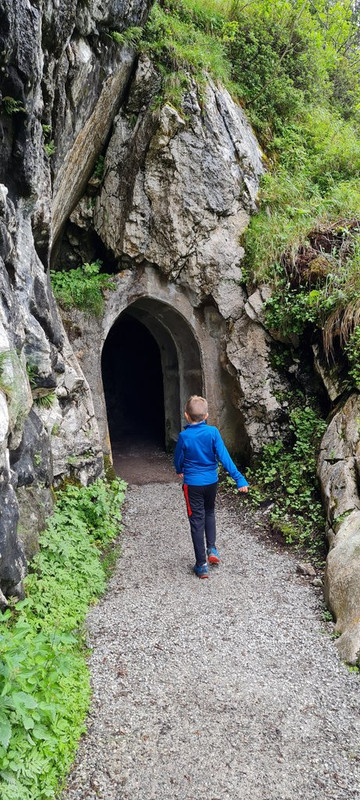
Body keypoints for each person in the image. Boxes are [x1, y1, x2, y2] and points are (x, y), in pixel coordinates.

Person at [174, 395, 248, 579]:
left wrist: (180, 469)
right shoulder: (213, 432)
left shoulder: (184, 436)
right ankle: (212, 548)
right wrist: (240, 480)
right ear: (206, 416)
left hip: (192, 485)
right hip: (211, 482)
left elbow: (178, 459)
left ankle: (201, 565)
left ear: (186, 415)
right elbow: (224, 457)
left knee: (196, 521)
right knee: (210, 512)